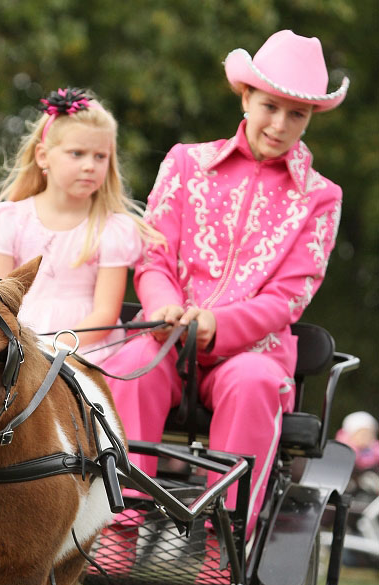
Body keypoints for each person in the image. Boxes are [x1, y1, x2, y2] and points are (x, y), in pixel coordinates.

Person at [103, 30, 350, 542]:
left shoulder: (321, 197)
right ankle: (118, 530)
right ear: (245, 97)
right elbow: (153, 255)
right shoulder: (186, 163)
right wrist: (165, 306)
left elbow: (290, 296)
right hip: (165, 336)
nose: (280, 125)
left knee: (253, 382)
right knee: (128, 366)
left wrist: (220, 323)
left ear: (311, 118)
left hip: (253, 351)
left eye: (297, 114)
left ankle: (223, 540)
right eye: (270, 107)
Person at [0, 87, 162, 364]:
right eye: (77, 153)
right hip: (17, 340)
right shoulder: (11, 220)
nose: (90, 165)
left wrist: (58, 344)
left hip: (86, 346)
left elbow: (106, 313)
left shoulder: (111, 230)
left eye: (100, 156)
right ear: (43, 156)